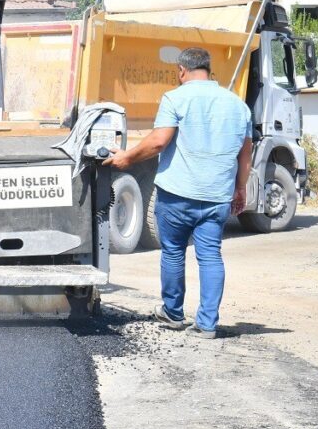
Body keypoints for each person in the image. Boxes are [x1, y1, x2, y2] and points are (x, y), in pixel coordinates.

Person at [105, 47, 253, 339]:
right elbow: (245, 155)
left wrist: (127, 158)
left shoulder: (175, 98)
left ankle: (173, 313)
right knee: (210, 256)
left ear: (182, 71)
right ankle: (207, 324)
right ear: (209, 71)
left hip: (177, 194)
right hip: (217, 196)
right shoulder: (238, 105)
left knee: (173, 253)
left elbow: (159, 142)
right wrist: (240, 189)